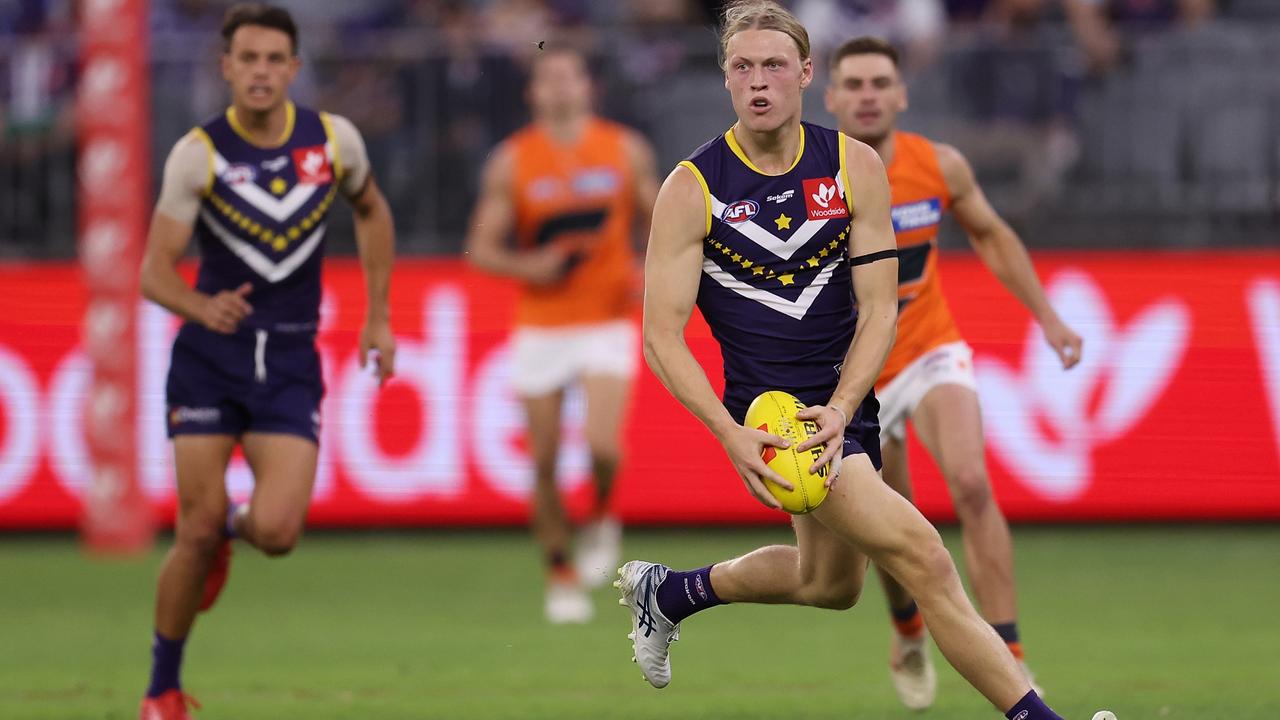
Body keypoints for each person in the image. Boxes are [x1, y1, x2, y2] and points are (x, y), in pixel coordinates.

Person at [617, 4, 1113, 720]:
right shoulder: (692, 188)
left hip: (847, 409)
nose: (759, 82)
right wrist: (732, 437)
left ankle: (669, 593)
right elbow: (661, 337)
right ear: (725, 79)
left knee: (831, 585)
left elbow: (881, 308)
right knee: (926, 558)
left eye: (775, 65)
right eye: (742, 67)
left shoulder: (854, 165)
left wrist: (846, 408)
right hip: (776, 421)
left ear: (806, 74)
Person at [137, 5, 396, 719]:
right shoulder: (199, 153)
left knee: (278, 533)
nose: (259, 70)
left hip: (287, 357)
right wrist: (199, 307)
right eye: (246, 58)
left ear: (292, 68)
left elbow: (372, 211)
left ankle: (230, 531)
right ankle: (162, 689)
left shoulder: (332, 141)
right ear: (225, 67)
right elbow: (153, 273)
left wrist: (378, 314)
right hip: (209, 359)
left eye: (273, 59)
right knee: (192, 524)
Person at [823, 35, 1086, 709]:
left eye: (880, 82)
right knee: (893, 524)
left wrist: (1048, 317)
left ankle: (1014, 661)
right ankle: (908, 626)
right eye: (853, 84)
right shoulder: (809, 182)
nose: (868, 94)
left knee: (971, 482)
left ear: (902, 94)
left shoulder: (936, 165)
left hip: (930, 348)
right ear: (830, 98)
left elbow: (993, 235)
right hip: (853, 372)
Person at [464, 45, 659, 624]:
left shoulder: (623, 149)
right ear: (533, 93)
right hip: (543, 326)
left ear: (587, 85)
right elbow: (481, 248)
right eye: (547, 79)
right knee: (544, 460)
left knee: (603, 446)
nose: (559, 88)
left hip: (605, 321)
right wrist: (532, 268)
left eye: (568, 75)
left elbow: (664, 218)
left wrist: (648, 272)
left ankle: (601, 516)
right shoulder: (513, 161)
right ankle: (559, 572)